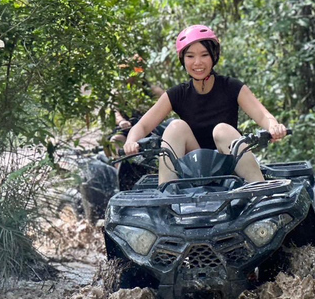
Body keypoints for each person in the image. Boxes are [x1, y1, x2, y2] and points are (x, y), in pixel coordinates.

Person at [123, 24, 288, 184]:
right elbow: (143, 126)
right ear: (183, 59)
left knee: (222, 130)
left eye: (204, 55)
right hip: (194, 166)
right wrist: (131, 141)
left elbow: (262, 115)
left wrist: (273, 126)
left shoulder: (231, 86)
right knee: (175, 127)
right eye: (190, 56)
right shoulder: (177, 94)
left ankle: (258, 188)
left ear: (213, 56)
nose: (197, 62)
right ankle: (167, 195)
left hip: (229, 163)